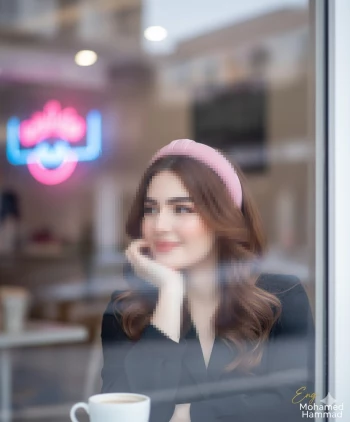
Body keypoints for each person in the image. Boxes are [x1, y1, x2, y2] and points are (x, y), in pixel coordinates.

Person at [101, 139, 315, 422]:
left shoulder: (280, 297)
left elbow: (305, 404)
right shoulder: (126, 311)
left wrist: (194, 415)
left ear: (221, 217)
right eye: (151, 209)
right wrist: (170, 292)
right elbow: (127, 415)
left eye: (181, 209)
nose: (160, 225)